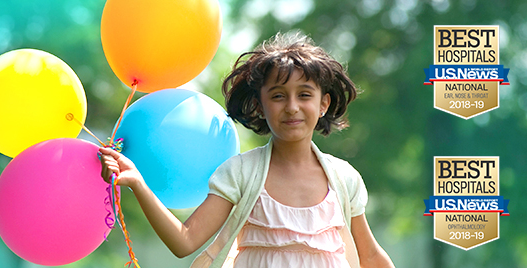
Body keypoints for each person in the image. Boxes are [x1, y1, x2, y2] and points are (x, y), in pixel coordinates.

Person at [99, 31, 395, 268]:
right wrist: (137, 182)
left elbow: (369, 258)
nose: (292, 107)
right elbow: (185, 242)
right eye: (278, 96)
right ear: (259, 105)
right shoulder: (241, 173)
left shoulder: (344, 179)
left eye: (304, 95)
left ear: (323, 104)